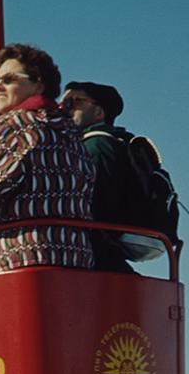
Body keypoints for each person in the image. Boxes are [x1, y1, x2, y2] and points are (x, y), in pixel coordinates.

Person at [0, 44, 96, 273]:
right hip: (76, 263)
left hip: (20, 261)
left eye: (8, 79)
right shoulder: (73, 138)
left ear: (38, 84)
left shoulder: (16, 128)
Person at [60, 81, 141, 271]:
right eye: (62, 103)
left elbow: (94, 203)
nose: (63, 109)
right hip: (108, 250)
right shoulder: (115, 143)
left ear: (98, 113)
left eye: (74, 102)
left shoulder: (96, 146)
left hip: (95, 253)